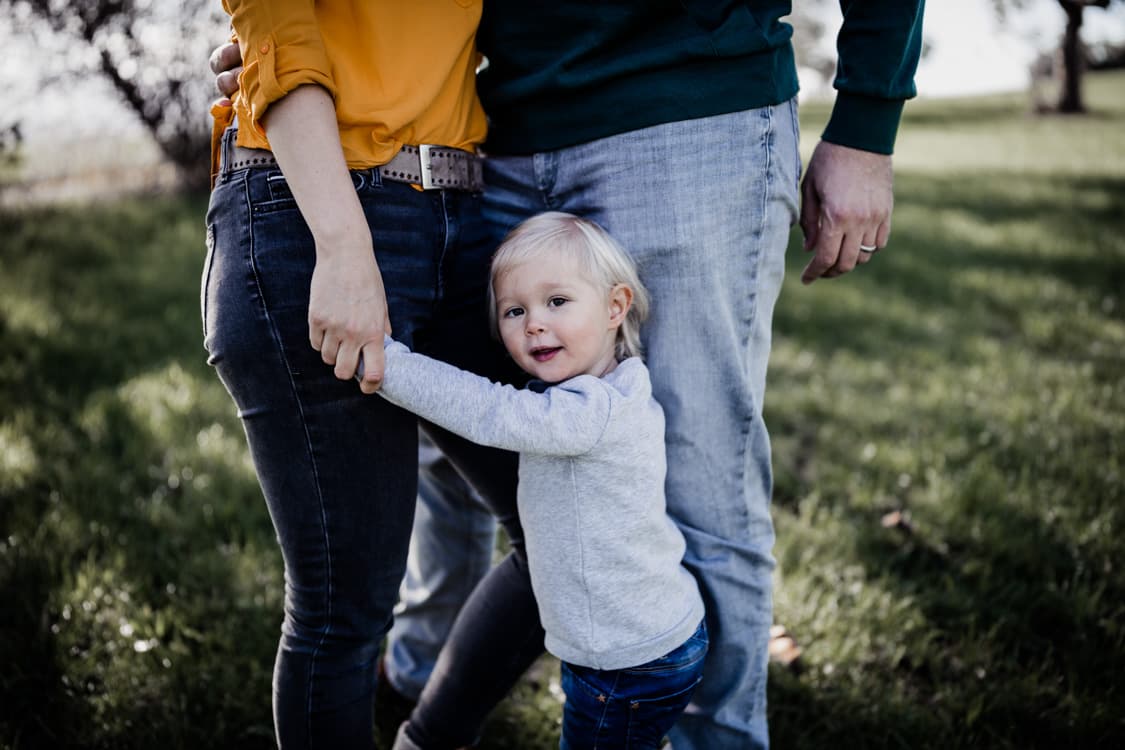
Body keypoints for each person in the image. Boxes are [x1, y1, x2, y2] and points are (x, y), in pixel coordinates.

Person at [212, 2, 927, 748]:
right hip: (438, 164)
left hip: (615, 137)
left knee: (677, 497)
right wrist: (282, 70)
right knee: (391, 559)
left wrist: (868, 121)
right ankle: (421, 687)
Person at [203, 2, 532, 747]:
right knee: (342, 608)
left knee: (565, 530)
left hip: (462, 218)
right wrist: (344, 247)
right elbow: (279, 31)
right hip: (314, 216)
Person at [370, 212, 708, 750]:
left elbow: (488, 411)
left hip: (625, 663)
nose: (533, 323)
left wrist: (388, 367)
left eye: (557, 302)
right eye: (514, 310)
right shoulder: (621, 384)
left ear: (615, 307)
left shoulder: (586, 415)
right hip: (654, 638)